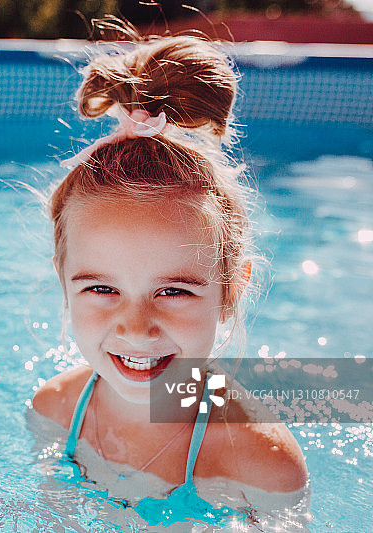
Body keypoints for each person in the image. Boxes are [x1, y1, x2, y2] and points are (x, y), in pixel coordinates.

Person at [31, 32, 308, 516]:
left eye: (173, 291)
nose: (136, 327)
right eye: (101, 288)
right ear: (63, 280)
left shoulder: (258, 460)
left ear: (231, 288)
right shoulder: (54, 410)